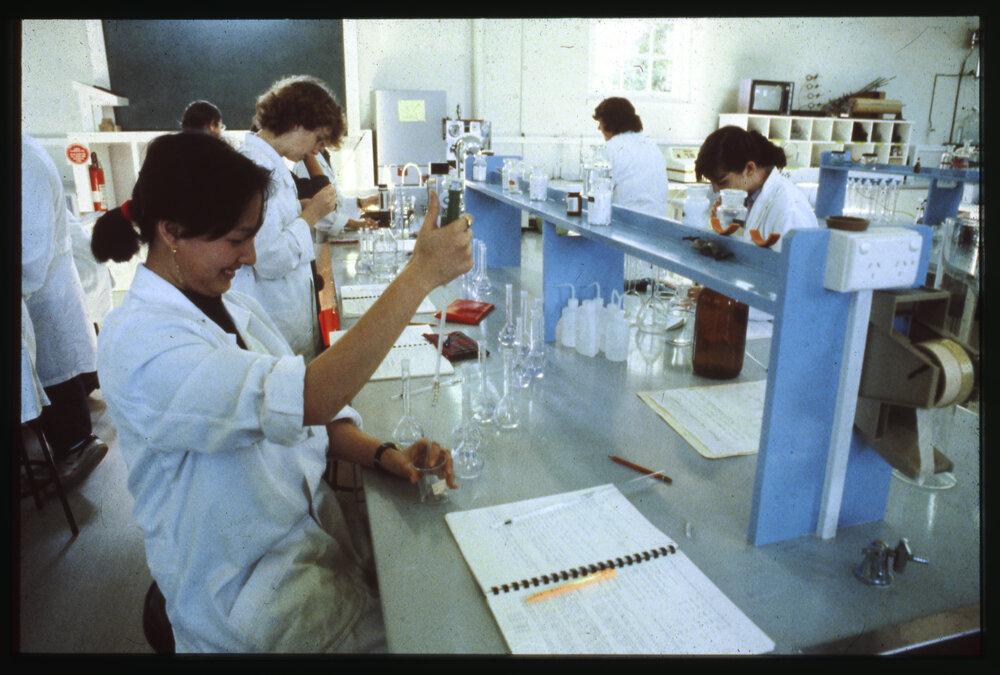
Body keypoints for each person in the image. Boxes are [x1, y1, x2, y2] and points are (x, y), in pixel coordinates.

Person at [90, 132, 474, 653]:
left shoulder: (233, 308)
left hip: (308, 556)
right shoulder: (140, 344)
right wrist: (420, 274)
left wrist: (384, 454)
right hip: (248, 604)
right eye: (235, 239)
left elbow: (309, 416)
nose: (249, 256)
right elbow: (307, 398)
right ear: (173, 232)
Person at [232, 75, 341, 360]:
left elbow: (271, 225)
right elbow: (268, 257)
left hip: (284, 313)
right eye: (317, 138)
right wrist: (311, 214)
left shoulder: (270, 163)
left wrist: (299, 209)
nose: (316, 150)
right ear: (297, 123)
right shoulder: (254, 167)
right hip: (273, 318)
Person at [21, 134, 108, 489]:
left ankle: (78, 446)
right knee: (51, 369)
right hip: (39, 288)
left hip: (42, 289)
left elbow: (30, 250)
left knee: (55, 369)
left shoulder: (26, 162)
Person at [694, 126, 818, 252]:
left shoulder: (789, 211)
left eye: (722, 182)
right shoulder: (750, 198)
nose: (716, 190)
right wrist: (725, 223)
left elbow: (791, 268)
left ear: (749, 169)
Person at [592, 97, 670, 215]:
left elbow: (598, 196)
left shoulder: (609, 149)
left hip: (624, 224)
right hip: (659, 223)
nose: (599, 128)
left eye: (600, 123)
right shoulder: (652, 146)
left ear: (609, 123)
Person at [294, 147, 376, 238]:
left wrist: (362, 202)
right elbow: (317, 209)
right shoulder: (306, 163)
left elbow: (335, 203)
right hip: (317, 241)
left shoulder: (324, 155)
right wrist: (354, 224)